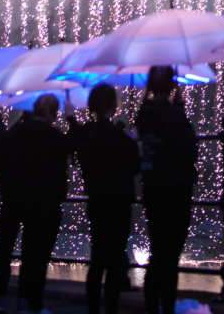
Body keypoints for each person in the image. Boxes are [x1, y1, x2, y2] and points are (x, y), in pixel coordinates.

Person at [136, 66, 199, 314]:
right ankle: (167, 307)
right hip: (175, 190)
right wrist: (180, 111)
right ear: (172, 85)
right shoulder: (174, 116)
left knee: (157, 251)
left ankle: (153, 307)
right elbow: (187, 151)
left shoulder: (144, 115)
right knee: (170, 256)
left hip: (152, 187)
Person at [72, 88, 139, 314]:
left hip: (97, 200)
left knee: (97, 259)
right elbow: (134, 165)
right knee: (113, 262)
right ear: (112, 105)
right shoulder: (117, 136)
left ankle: (93, 309)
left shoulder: (87, 135)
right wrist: (130, 140)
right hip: (118, 202)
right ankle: (111, 308)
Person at [11, 94, 74, 314]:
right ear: (49, 112)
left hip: (26, 197)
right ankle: (35, 305)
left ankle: (23, 302)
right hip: (48, 199)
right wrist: (72, 118)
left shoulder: (21, 132)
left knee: (28, 252)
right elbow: (72, 144)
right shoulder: (50, 135)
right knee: (41, 255)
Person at [0, 109, 29, 312]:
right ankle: (25, 300)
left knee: (5, 250)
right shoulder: (43, 137)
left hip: (10, 197)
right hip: (33, 199)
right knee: (30, 251)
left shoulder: (9, 136)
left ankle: (0, 298)